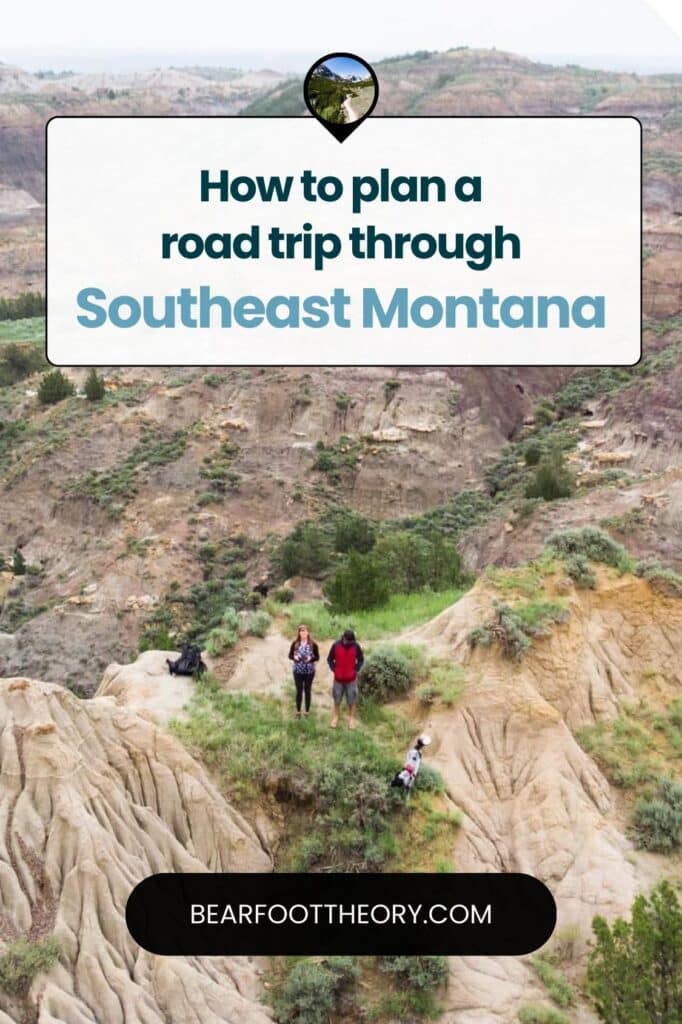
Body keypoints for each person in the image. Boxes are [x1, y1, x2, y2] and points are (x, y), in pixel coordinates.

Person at [327, 629, 364, 730]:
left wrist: (356, 669)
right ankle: (335, 717)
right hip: (338, 679)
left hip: (351, 680)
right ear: (343, 637)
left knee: (352, 700)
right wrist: (334, 669)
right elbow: (329, 659)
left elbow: (361, 659)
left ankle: (351, 719)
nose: (348, 643)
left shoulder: (356, 646)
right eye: (347, 640)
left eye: (350, 641)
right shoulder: (336, 645)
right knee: (337, 699)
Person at [288, 625, 320, 719]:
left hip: (309, 671)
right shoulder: (295, 643)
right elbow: (289, 655)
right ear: (299, 633)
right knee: (299, 691)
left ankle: (307, 712)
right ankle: (298, 712)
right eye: (301, 631)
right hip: (297, 670)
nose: (303, 633)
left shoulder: (313, 644)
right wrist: (294, 657)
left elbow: (317, 657)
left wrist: (310, 659)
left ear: (308, 632)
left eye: (305, 631)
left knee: (307, 690)